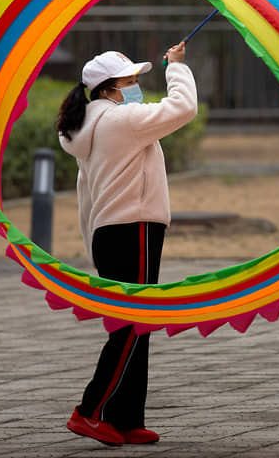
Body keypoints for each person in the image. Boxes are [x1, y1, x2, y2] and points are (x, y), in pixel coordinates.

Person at [55, 42, 198, 446]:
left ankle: (124, 417)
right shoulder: (122, 121)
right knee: (133, 324)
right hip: (133, 228)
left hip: (111, 232)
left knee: (137, 323)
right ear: (107, 89)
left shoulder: (91, 125)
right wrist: (177, 68)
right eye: (130, 81)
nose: (136, 87)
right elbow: (183, 108)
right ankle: (90, 411)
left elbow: (87, 193)